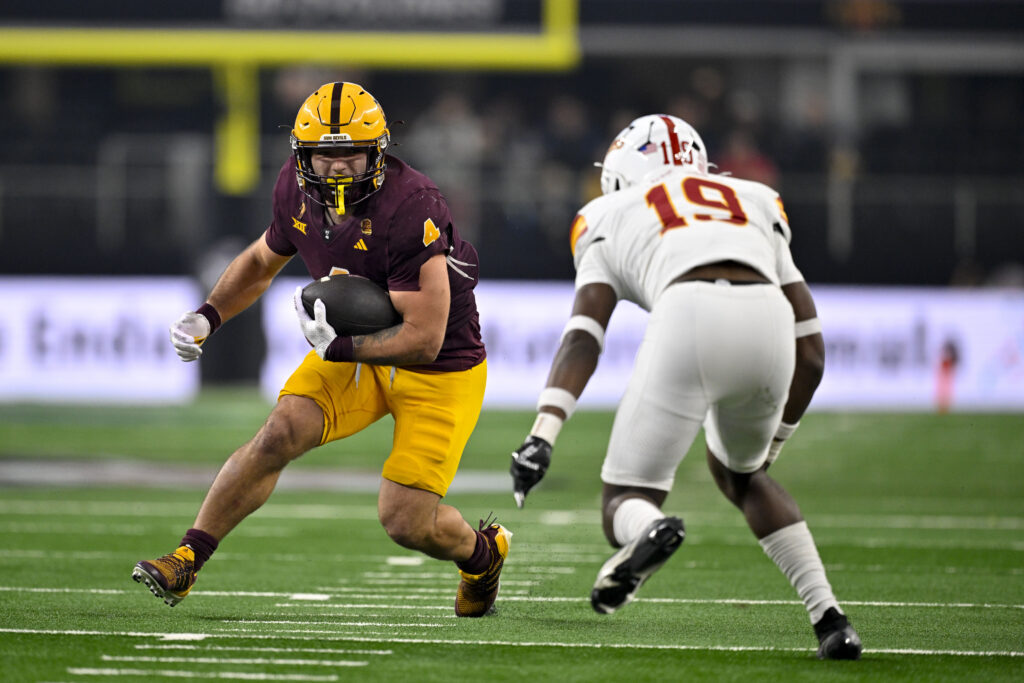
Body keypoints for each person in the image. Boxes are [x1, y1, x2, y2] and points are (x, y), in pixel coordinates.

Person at [132, 82, 510, 618]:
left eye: (348, 153)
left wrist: (344, 346)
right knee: (280, 429)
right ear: (302, 155)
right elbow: (262, 260)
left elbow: (424, 340)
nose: (334, 168)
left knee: (404, 520)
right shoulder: (294, 189)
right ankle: (187, 557)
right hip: (355, 353)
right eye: (323, 154)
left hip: (438, 369)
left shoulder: (412, 206)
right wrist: (209, 313)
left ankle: (482, 554)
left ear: (376, 151)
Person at [509, 114, 862, 659]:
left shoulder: (604, 213)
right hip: (769, 320)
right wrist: (774, 444)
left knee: (626, 498)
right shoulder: (756, 198)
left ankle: (648, 530)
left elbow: (584, 336)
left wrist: (541, 436)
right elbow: (812, 349)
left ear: (621, 171)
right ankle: (831, 619)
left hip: (690, 312)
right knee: (744, 478)